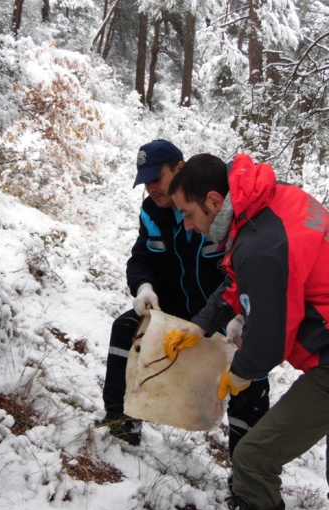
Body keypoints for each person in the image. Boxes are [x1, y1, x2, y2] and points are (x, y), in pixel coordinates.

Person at [164, 153, 329, 510]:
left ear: (214, 201)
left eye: (188, 213)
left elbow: (269, 337)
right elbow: (243, 280)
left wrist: (240, 373)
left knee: (253, 461)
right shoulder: (271, 201)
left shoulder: (260, 243)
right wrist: (199, 325)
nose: (187, 225)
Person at [100, 140, 269, 458]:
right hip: (174, 306)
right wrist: (144, 286)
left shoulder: (211, 203)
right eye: (145, 181)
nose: (151, 188)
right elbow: (142, 257)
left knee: (250, 374)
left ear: (180, 168)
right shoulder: (153, 211)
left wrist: (239, 316)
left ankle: (247, 472)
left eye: (156, 178)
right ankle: (121, 422)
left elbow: (246, 270)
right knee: (125, 328)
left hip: (224, 311)